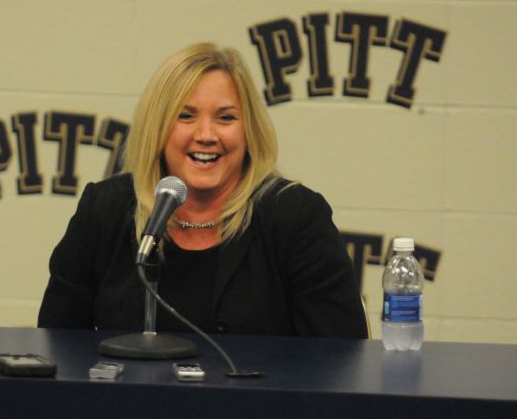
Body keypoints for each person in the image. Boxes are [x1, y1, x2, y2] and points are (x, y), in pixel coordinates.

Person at [38, 42, 368, 338]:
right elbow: (58, 345)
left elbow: (340, 358)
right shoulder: (105, 208)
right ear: (158, 127)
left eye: (225, 118)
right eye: (186, 116)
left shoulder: (296, 216)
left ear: (248, 130)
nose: (206, 134)